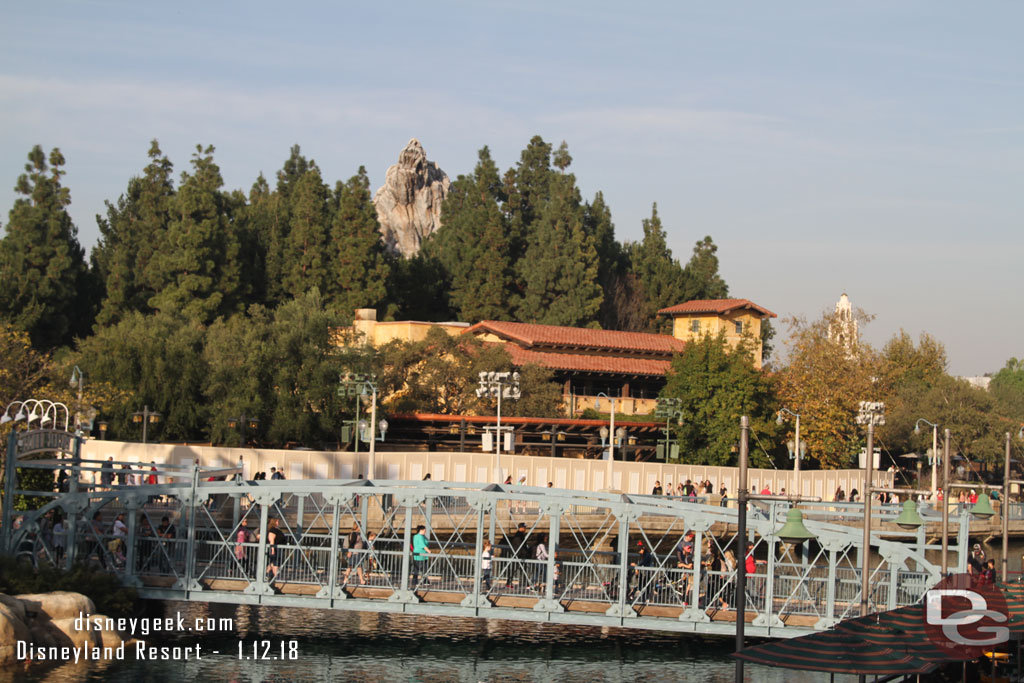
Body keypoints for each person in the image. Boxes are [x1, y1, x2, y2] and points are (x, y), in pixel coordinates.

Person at [265, 517, 283, 592]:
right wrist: (272, 549)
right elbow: (271, 540)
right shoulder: (272, 530)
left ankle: (267, 575)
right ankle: (274, 577)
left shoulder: (276, 529)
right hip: (275, 549)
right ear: (274, 522)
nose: (278, 522)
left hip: (277, 549)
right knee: (275, 563)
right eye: (277, 521)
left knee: (272, 563)